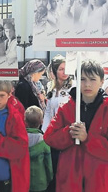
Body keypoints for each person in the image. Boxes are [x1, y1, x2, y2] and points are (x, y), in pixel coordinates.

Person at [43, 60, 108, 191]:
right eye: (82, 79)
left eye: (93, 79)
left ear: (102, 81)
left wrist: (88, 139)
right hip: (70, 178)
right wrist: (69, 132)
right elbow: (49, 137)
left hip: (98, 180)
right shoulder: (66, 108)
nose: (87, 84)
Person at [42, 55, 72, 192]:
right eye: (61, 69)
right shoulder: (51, 88)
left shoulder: (74, 87)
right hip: (53, 133)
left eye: (66, 68)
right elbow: (48, 111)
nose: (64, 72)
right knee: (54, 166)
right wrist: (45, 132)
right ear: (54, 71)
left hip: (67, 132)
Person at [25, 106, 53, 192]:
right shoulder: (44, 141)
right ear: (42, 121)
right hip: (41, 181)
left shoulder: (21, 140)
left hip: (24, 181)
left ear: (25, 122)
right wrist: (50, 178)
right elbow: (48, 164)